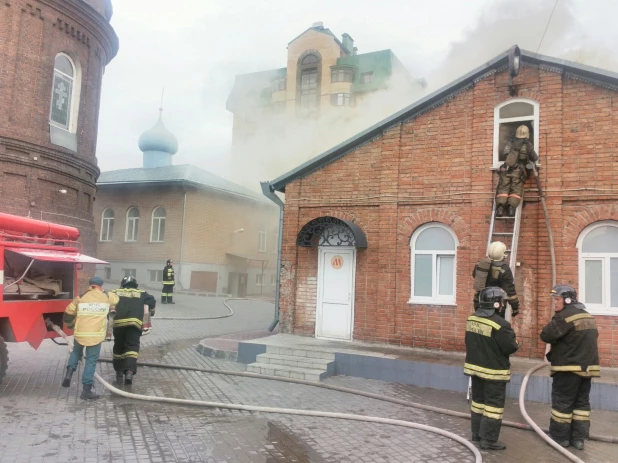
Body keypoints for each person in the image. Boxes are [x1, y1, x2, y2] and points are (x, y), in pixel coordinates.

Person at [540, 284, 600, 450]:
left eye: (557, 300)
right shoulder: (587, 316)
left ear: (567, 300)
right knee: (581, 405)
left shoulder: (564, 317)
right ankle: (578, 439)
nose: (555, 304)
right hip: (588, 368)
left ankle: (560, 439)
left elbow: (545, 335)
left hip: (568, 369)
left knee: (563, 404)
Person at [464, 287, 519, 450]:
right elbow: (510, 347)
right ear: (495, 304)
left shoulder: (471, 319)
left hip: (475, 370)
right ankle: (488, 440)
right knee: (493, 408)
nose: (503, 305)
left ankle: (476, 434)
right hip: (494, 373)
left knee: (478, 404)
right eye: (502, 302)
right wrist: (516, 343)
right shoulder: (501, 325)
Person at [61, 276, 119, 400]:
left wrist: (71, 326)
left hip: (80, 333)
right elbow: (117, 299)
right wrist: (106, 292)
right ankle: (86, 391)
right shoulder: (107, 296)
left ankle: (69, 375)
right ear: (101, 286)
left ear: (90, 285)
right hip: (95, 335)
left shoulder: (81, 297)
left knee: (76, 353)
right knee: (91, 361)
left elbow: (68, 312)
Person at [110, 276, 156, 385]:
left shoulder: (115, 292)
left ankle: (119, 371)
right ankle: (129, 372)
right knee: (132, 348)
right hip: (134, 325)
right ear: (135, 285)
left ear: (123, 284)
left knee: (118, 347)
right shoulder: (142, 293)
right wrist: (151, 312)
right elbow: (152, 302)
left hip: (118, 324)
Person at [495, 124, 538, 217]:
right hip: (518, 171)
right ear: (527, 134)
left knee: (503, 189)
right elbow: (534, 157)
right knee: (516, 191)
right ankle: (511, 209)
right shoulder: (528, 144)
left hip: (505, 170)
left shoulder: (510, 142)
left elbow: (504, 153)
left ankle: (500, 209)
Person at [472, 241, 519, 317]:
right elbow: (510, 290)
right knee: (496, 326)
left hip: (480, 302)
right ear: (502, 254)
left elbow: (474, 275)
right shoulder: (504, 269)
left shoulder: (480, 264)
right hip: (496, 305)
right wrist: (515, 307)